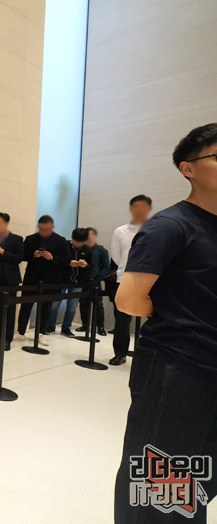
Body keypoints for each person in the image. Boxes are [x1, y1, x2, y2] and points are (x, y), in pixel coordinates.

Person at [114, 124, 217, 522]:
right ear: (188, 168)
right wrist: (180, 316)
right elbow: (129, 299)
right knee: (157, 488)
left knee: (195, 484)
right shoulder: (170, 226)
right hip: (177, 368)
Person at [109, 194, 152, 366]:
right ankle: (120, 353)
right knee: (122, 320)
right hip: (125, 280)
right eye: (136, 206)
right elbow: (116, 256)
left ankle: (150, 356)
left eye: (143, 206)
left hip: (150, 280)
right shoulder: (120, 231)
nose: (139, 210)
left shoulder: (154, 230)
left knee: (154, 319)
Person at [16, 215, 70, 345]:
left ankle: (41, 333)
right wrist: (33, 255)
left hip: (50, 279)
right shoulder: (30, 239)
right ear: (38, 226)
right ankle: (21, 332)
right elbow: (22, 256)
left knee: (46, 307)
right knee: (25, 305)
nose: (44, 232)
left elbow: (67, 260)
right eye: (41, 229)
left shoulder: (61, 240)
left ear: (52, 227)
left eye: (47, 229)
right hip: (31, 277)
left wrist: (52, 257)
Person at [0, 212, 24, 352]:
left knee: (10, 310)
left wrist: (2, 251)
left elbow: (18, 258)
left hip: (11, 281)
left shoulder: (17, 239)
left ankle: (7, 340)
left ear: (7, 223)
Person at [48, 228, 91, 337]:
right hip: (61, 280)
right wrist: (68, 263)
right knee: (54, 304)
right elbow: (55, 260)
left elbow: (92, 266)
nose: (79, 244)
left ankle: (66, 328)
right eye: (77, 241)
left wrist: (86, 265)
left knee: (72, 307)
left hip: (78, 281)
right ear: (72, 237)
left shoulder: (87, 249)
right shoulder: (64, 245)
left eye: (82, 242)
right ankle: (50, 326)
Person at [77, 227, 109, 336]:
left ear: (95, 235)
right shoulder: (82, 249)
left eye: (90, 234)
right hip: (83, 280)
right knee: (83, 303)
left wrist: (98, 278)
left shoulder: (101, 250)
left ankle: (100, 327)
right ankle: (85, 325)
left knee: (98, 305)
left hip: (95, 280)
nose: (88, 237)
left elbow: (106, 267)